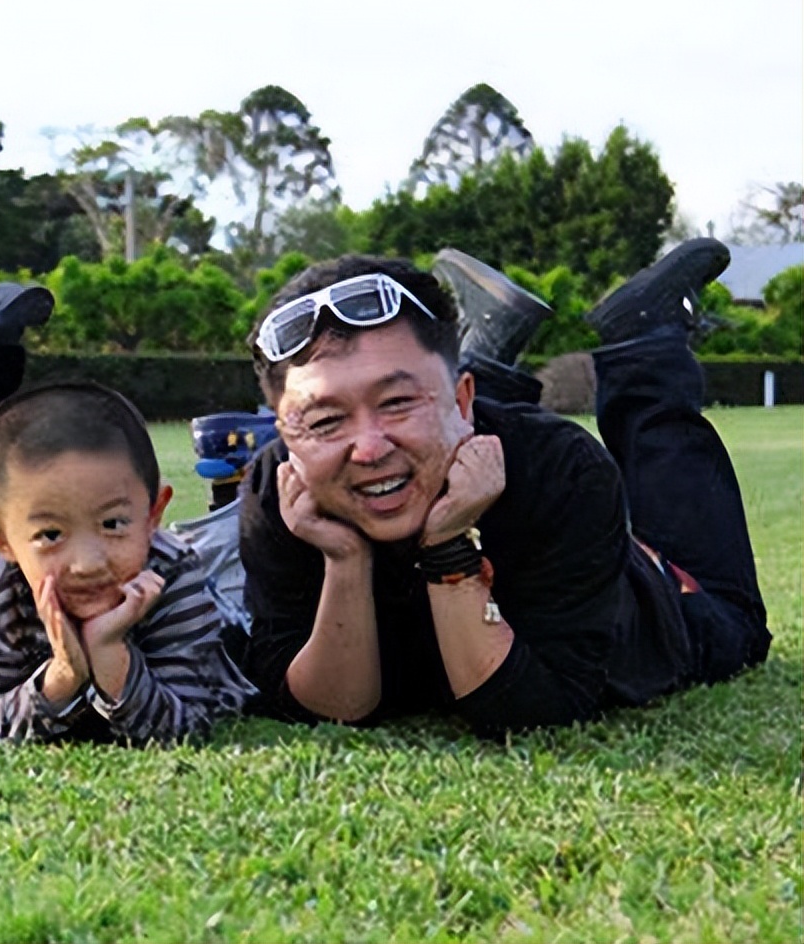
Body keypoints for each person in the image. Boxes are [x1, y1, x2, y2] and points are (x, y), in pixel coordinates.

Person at [236, 239, 771, 736]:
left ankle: (645, 338)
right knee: (424, 443)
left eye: (397, 401)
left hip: (637, 593)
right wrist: (344, 561)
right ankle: (483, 344)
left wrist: (447, 547)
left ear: (461, 398)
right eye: (326, 421)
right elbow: (331, 709)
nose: (368, 448)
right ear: (286, 434)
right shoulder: (278, 490)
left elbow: (529, 711)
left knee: (737, 628)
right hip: (469, 464)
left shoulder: (559, 468)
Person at [0, 382, 256, 744]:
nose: (87, 563)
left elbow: (189, 726)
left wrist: (110, 653)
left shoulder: (171, 573)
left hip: (225, 637)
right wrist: (63, 676)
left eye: (113, 525)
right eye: (50, 534)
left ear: (153, 515)